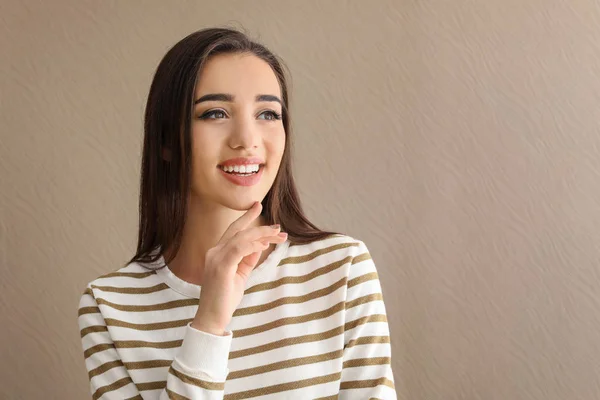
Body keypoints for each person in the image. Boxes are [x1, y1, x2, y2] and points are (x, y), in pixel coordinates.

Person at [77, 27, 397, 399]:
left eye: (267, 113)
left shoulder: (341, 269)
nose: (247, 139)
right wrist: (209, 322)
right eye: (215, 113)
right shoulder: (111, 306)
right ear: (166, 141)